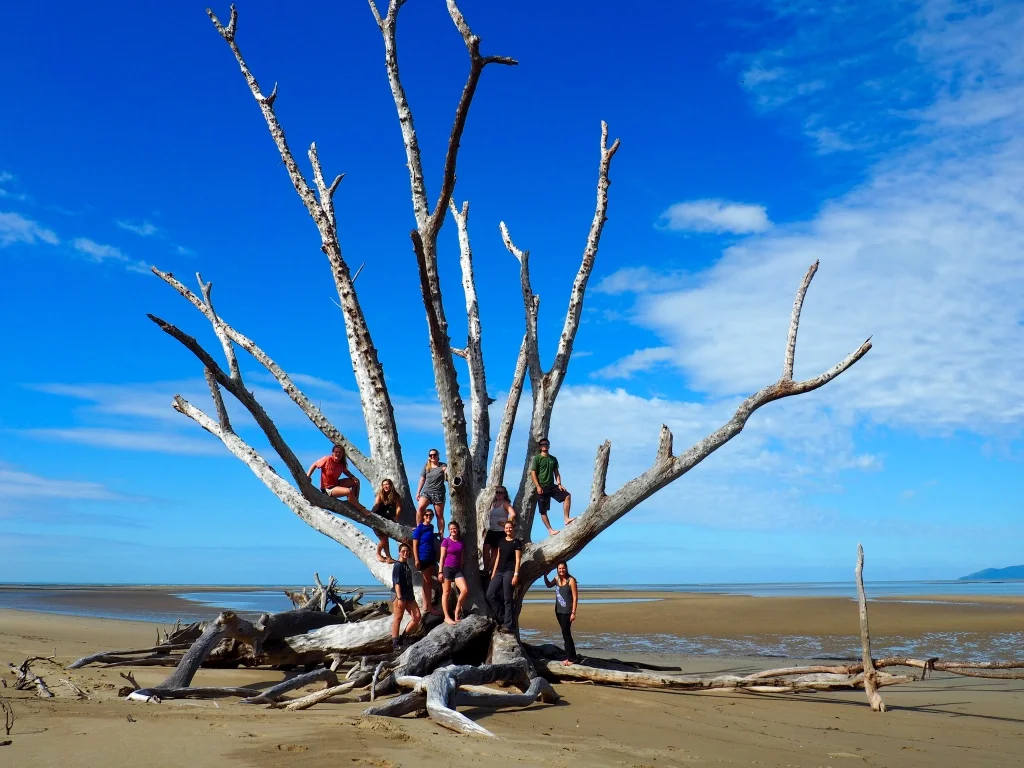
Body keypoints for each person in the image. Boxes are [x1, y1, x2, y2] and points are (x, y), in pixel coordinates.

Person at [530, 438, 572, 536]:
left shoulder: (553, 459)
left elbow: (556, 473)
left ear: (549, 445)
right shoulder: (537, 458)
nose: (544, 445)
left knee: (567, 496)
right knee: (543, 510)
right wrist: (537, 486)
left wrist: (559, 484)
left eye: (546, 444)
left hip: (552, 485)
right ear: (540, 446)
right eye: (542, 444)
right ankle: (550, 530)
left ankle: (566, 518)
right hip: (542, 487)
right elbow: (533, 473)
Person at [486, 520, 522, 632]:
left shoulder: (516, 542)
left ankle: (509, 625)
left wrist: (516, 575)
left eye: (510, 527)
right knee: (490, 595)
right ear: (504, 529)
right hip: (499, 571)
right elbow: (497, 557)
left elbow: (518, 560)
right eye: (506, 528)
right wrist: (493, 572)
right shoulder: (501, 541)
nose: (508, 529)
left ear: (513, 528)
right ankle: (502, 618)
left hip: (509, 572)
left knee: (507, 598)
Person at [307, 444, 366, 512]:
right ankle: (361, 508)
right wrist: (308, 476)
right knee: (348, 491)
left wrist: (353, 477)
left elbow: (346, 472)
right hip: (328, 489)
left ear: (342, 454)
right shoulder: (327, 459)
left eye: (340, 452)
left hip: (336, 484)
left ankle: (355, 503)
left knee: (356, 481)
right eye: (336, 452)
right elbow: (314, 465)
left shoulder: (341, 464)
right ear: (333, 453)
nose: (338, 454)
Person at [543, 562, 580, 665]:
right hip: (558, 611)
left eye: (563, 568)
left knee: (566, 634)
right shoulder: (557, 578)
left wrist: (573, 612)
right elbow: (548, 585)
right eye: (559, 569)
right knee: (565, 634)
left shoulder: (571, 580)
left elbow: (575, 597)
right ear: (557, 569)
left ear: (566, 568)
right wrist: (545, 576)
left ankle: (572, 658)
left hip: (567, 611)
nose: (561, 570)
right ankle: (570, 656)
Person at [390, 542, 421, 650]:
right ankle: (395, 643)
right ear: (399, 552)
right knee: (398, 618)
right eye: (403, 551)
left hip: (409, 595)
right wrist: (399, 598)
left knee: (417, 617)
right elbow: (397, 582)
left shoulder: (406, 564)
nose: (405, 553)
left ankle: (403, 638)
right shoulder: (398, 565)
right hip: (399, 595)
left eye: (407, 551)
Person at [412, 508, 442, 616]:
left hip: (431, 557)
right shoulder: (419, 528)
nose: (429, 517)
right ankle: (430, 607)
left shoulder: (431, 527)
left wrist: (435, 535)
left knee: (426, 582)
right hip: (423, 557)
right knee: (428, 582)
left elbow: (428, 537)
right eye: (427, 515)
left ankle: (425, 604)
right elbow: (415, 545)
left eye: (431, 515)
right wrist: (416, 559)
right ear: (423, 516)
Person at [439, 521, 469, 624]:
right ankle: (446, 617)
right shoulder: (446, 541)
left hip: (457, 570)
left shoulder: (461, 542)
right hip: (447, 568)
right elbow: (442, 557)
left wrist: (461, 568)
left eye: (454, 528)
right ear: (449, 530)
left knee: (464, 590)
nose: (453, 530)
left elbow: (461, 557)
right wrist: (440, 572)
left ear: (458, 529)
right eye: (451, 529)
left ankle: (456, 610)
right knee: (446, 593)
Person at [483, 486, 516, 575]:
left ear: (504, 494)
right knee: (485, 549)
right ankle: (486, 568)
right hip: (491, 530)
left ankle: (488, 570)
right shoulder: (493, 504)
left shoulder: (505, 503)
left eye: (501, 493)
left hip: (500, 532)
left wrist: (506, 524)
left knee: (495, 552)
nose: (498, 494)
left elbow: (513, 514)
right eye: (497, 492)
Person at [370, 478, 402, 563]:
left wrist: (396, 517)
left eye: (387, 484)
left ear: (391, 485)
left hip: (387, 519)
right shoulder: (380, 494)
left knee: (385, 538)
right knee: (383, 539)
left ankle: (388, 557)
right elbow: (376, 505)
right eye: (384, 485)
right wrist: (370, 514)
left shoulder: (395, 495)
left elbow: (399, 507)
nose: (385, 486)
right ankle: (378, 553)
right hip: (377, 518)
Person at [415, 449, 448, 532]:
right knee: (420, 508)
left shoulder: (443, 465)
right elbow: (422, 479)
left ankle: (441, 534)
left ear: (438, 456)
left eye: (434, 454)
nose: (432, 456)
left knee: (439, 515)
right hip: (427, 492)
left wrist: (446, 471)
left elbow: (448, 477)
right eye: (430, 455)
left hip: (438, 493)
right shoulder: (427, 466)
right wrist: (418, 492)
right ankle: (419, 528)